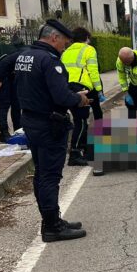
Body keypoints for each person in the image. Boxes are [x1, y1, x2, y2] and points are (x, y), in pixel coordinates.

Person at [14, 20, 89, 242]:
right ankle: (51, 226)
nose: (64, 48)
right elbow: (61, 97)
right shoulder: (49, 60)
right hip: (49, 124)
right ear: (54, 37)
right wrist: (80, 98)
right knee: (49, 176)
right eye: (64, 44)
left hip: (30, 120)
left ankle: (51, 219)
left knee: (41, 174)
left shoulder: (25, 56)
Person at [61, 28, 106, 166]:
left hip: (66, 87)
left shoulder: (66, 51)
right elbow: (93, 71)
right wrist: (99, 90)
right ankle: (75, 153)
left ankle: (84, 146)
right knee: (81, 120)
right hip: (82, 88)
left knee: (79, 119)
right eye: (89, 38)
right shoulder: (89, 49)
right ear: (86, 37)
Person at [0, 45, 25, 142]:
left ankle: (18, 131)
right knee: (4, 104)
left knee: (16, 104)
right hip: (0, 75)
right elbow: (3, 64)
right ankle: (4, 133)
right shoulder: (22, 54)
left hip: (11, 76)